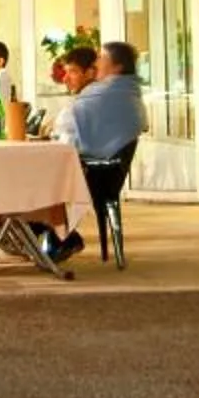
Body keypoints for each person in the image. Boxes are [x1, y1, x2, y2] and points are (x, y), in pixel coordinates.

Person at [46, 41, 147, 264]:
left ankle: (58, 238)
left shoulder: (108, 93)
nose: (97, 62)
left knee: (39, 182)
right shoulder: (125, 91)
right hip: (107, 171)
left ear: (117, 66)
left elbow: (67, 121)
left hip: (98, 174)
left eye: (102, 58)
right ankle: (54, 238)